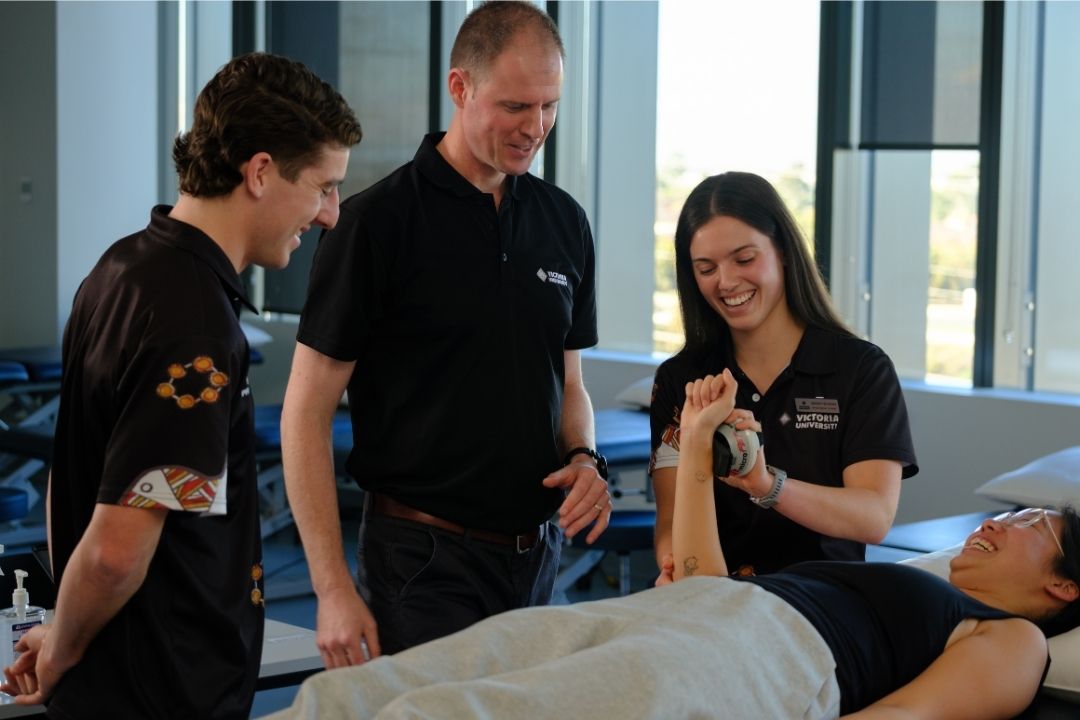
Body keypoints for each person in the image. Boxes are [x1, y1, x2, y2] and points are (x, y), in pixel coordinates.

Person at [260, 373, 1080, 720]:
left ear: (1065, 589)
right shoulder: (920, 579)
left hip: (762, 659)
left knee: (464, 715)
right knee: (389, 688)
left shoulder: (1009, 640)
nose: (997, 523)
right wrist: (698, 446)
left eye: (1029, 527)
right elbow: (696, 574)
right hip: (697, 607)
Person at [0, 53, 362, 718]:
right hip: (162, 690)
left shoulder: (122, 268)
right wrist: (58, 652)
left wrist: (64, 626)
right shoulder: (194, 328)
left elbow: (71, 476)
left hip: (125, 677)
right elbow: (113, 554)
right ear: (259, 173)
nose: (331, 215)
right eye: (322, 187)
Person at [280, 0, 608, 667]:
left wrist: (584, 459)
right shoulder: (376, 226)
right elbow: (305, 413)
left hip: (537, 556)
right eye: (515, 106)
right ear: (460, 88)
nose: (535, 127)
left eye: (549, 106)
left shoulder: (564, 222)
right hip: (421, 562)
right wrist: (331, 588)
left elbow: (568, 381)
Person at [651, 171, 918, 579]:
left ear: (785, 251)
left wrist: (765, 484)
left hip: (821, 610)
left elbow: (873, 516)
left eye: (744, 259)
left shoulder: (860, 369)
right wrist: (675, 565)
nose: (726, 282)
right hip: (715, 603)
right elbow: (671, 526)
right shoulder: (681, 379)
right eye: (706, 269)